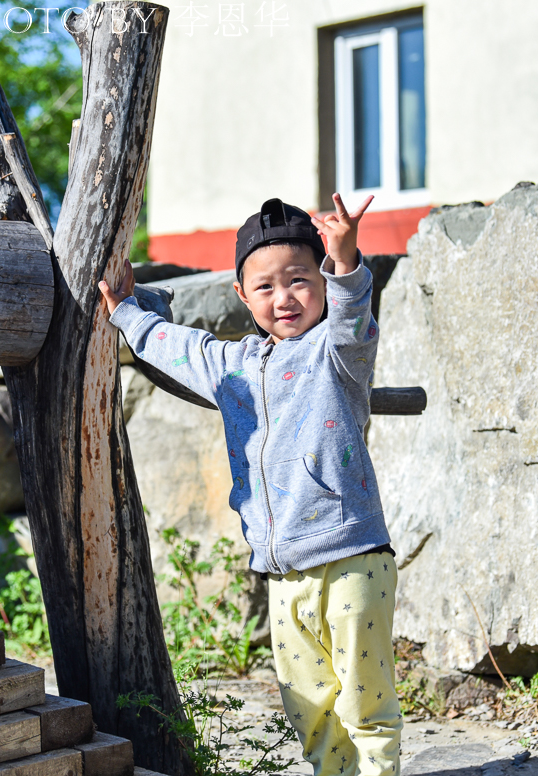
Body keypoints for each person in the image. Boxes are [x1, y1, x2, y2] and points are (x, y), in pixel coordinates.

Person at [98, 193, 401, 776]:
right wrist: (128, 313)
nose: (283, 297)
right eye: (265, 287)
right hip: (282, 573)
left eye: (299, 280)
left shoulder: (339, 352)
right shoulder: (232, 366)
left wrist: (345, 259)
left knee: (366, 701)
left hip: (352, 558)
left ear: (320, 282)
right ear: (241, 295)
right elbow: (178, 347)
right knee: (309, 708)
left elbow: (352, 311)